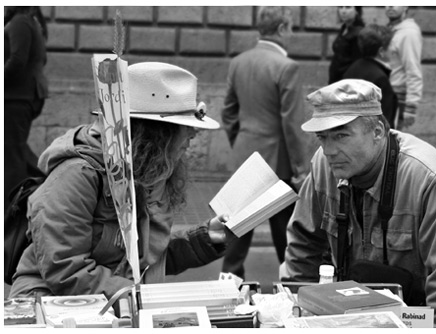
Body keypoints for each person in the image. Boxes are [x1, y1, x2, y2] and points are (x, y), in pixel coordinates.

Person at [9, 62, 232, 300]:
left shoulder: (146, 171)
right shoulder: (75, 176)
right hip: (50, 304)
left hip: (110, 304)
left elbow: (144, 261)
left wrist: (205, 238)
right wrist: (140, 299)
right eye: (184, 128)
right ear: (155, 133)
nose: (192, 137)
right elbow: (67, 271)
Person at [280, 79, 436, 327]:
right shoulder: (324, 164)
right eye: (322, 137)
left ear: (377, 131)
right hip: (351, 318)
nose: (329, 150)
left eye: (341, 135)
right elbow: (302, 251)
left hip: (420, 321)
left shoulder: (429, 177)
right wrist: (300, 314)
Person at [221, 6, 310, 279]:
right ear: (282, 28)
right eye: (291, 28)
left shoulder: (239, 62)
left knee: (238, 229)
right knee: (287, 234)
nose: (292, 34)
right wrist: (301, 170)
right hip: (277, 162)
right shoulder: (287, 67)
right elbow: (292, 125)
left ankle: (230, 284)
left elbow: (228, 113)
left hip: (244, 155)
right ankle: (292, 284)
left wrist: (242, 142)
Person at [4, 6, 49, 208]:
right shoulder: (30, 21)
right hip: (22, 96)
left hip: (17, 97)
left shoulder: (20, 22)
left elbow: (17, 60)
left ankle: (11, 210)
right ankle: (46, 183)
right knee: (15, 149)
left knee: (10, 154)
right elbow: (40, 59)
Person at [343, 24, 398, 128]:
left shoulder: (353, 68)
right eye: (391, 44)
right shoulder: (380, 79)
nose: (394, 49)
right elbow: (384, 124)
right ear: (381, 51)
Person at [385, 6, 423, 130]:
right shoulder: (391, 29)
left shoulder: (409, 33)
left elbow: (413, 69)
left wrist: (411, 106)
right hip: (386, 94)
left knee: (391, 142)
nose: (390, 5)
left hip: (397, 97)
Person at [328, 6, 365, 84]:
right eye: (341, 7)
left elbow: (357, 64)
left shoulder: (359, 33)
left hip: (347, 83)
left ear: (357, 11)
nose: (343, 11)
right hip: (336, 80)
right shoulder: (344, 28)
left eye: (348, 7)